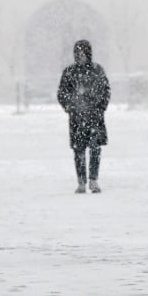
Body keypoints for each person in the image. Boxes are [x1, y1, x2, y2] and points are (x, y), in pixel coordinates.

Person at [57, 39, 111, 194]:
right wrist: (71, 107)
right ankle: (81, 182)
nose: (81, 56)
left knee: (95, 149)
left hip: (95, 117)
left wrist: (100, 107)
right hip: (77, 119)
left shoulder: (97, 70)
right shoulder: (69, 72)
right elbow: (62, 93)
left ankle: (93, 180)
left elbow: (105, 90)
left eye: (83, 52)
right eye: (78, 52)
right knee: (78, 150)